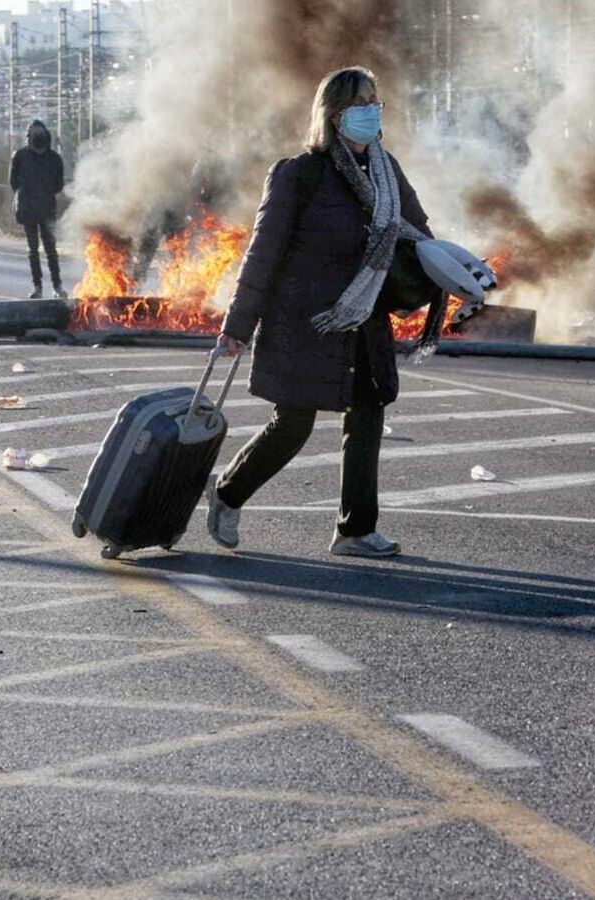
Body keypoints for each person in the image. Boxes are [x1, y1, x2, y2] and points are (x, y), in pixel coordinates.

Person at [209, 67, 432, 559]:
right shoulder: (299, 174)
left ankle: (354, 530)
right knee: (293, 424)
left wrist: (451, 272)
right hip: (305, 321)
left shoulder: (387, 171)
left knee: (368, 415)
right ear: (335, 116)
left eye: (377, 100)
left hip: (364, 317)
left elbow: (418, 233)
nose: (374, 111)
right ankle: (226, 493)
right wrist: (237, 328)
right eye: (362, 102)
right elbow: (262, 254)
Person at [9, 119, 66, 299]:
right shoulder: (20, 156)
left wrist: (44, 192)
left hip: (47, 209)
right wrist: (27, 194)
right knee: (33, 250)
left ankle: (57, 286)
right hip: (28, 209)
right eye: (34, 134)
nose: (36, 137)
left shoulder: (54, 158)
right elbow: (13, 182)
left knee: (50, 250)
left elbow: (59, 185)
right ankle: (37, 287)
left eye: (39, 133)